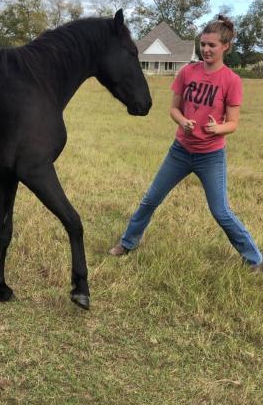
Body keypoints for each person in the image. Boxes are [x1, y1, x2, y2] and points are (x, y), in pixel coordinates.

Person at [110, 15, 263, 271]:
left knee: (221, 211)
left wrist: (217, 128)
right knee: (150, 200)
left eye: (211, 45)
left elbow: (233, 123)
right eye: (203, 44)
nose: (205, 49)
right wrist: (183, 121)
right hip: (180, 152)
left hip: (210, 156)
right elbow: (173, 109)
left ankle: (255, 259)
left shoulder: (231, 81)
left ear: (225, 46)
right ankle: (127, 243)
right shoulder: (188, 72)